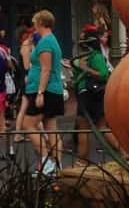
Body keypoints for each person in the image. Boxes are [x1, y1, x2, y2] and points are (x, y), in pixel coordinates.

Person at [22, 10, 64, 174]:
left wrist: (40, 93)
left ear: (41, 23)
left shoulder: (46, 42)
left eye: (35, 24)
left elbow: (46, 69)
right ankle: (56, 165)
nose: (34, 27)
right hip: (51, 89)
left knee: (28, 124)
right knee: (50, 127)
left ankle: (47, 163)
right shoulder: (50, 40)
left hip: (45, 90)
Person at [72, 25, 112, 162]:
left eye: (83, 40)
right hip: (88, 93)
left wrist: (86, 69)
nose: (80, 42)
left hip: (90, 94)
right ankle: (124, 153)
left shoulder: (95, 57)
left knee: (84, 126)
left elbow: (103, 75)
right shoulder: (86, 56)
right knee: (99, 126)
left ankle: (82, 160)